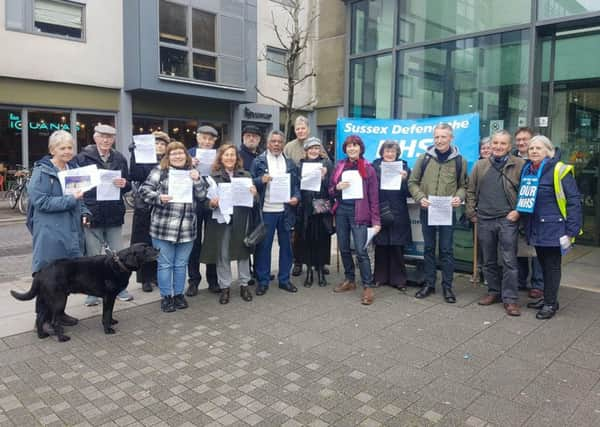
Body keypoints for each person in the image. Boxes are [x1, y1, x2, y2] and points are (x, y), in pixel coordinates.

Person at [27, 130, 87, 333]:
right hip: (50, 233)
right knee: (48, 277)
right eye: (62, 148)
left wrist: (85, 212)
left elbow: (81, 199)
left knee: (66, 276)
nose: (67, 151)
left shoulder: (73, 168)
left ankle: (59, 314)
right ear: (52, 150)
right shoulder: (42, 172)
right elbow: (40, 202)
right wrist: (71, 200)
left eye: (70, 147)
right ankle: (42, 320)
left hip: (71, 231)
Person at [139, 141, 207, 312]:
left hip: (186, 229)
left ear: (186, 155)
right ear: (168, 157)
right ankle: (166, 297)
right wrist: (158, 197)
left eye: (180, 153)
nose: (177, 156)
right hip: (163, 228)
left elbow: (202, 196)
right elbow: (144, 190)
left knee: (180, 264)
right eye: (173, 153)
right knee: (164, 264)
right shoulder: (159, 171)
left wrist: (197, 180)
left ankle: (178, 295)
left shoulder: (193, 172)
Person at [519, 136, 582, 319]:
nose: (534, 151)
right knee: (543, 264)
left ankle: (550, 304)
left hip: (555, 228)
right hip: (536, 226)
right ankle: (548, 298)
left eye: (538, 148)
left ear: (548, 151)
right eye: (531, 148)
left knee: (552, 266)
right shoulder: (528, 169)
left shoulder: (559, 170)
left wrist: (572, 231)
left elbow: (574, 201)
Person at [466, 130, 525, 316]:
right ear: (491, 145)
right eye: (496, 143)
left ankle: (510, 299)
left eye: (503, 144)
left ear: (510, 146)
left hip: (507, 219)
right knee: (489, 259)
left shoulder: (520, 164)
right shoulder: (480, 165)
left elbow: (527, 191)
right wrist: (471, 213)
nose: (498, 147)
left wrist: (518, 212)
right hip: (484, 219)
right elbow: (470, 191)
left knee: (509, 260)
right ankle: (493, 292)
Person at [408, 123, 468, 304]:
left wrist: (459, 197)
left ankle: (447, 286)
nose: (440, 140)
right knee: (428, 248)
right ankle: (429, 283)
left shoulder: (460, 161)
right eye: (436, 137)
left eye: (443, 137)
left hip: (447, 212)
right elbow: (412, 182)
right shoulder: (424, 158)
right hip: (427, 210)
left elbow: (464, 186)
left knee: (446, 250)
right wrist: (420, 198)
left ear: (451, 138)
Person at [76, 124, 132, 306]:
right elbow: (76, 187)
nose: (106, 140)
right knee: (92, 256)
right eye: (102, 136)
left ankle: (120, 289)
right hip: (92, 212)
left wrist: (125, 183)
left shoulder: (120, 158)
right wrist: (82, 210)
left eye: (110, 137)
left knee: (117, 255)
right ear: (95, 138)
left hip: (114, 212)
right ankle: (92, 292)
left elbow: (129, 184)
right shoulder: (82, 158)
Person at [201, 144, 258, 304]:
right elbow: (205, 203)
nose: (230, 158)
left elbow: (254, 202)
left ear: (237, 158)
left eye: (232, 155)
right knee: (223, 254)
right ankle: (225, 287)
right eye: (226, 155)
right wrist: (211, 203)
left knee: (243, 253)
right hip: (221, 221)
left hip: (241, 219)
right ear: (221, 157)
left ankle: (244, 285)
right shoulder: (213, 176)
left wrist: (254, 194)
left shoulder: (245, 175)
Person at [329, 135, 381, 305]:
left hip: (360, 212)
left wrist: (376, 221)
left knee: (361, 250)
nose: (352, 148)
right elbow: (331, 190)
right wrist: (337, 188)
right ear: (345, 149)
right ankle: (350, 280)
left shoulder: (368, 168)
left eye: (355, 145)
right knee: (343, 248)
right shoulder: (340, 166)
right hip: (342, 211)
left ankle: (367, 286)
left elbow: (374, 196)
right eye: (349, 146)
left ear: (360, 148)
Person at [251, 130, 300, 296]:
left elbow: (296, 185)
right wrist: (260, 181)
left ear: (283, 143)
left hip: (285, 211)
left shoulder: (290, 162)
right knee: (264, 247)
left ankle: (284, 280)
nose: (277, 144)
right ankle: (263, 281)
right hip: (266, 211)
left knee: (286, 247)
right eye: (273, 141)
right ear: (267, 143)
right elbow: (250, 183)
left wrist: (296, 197)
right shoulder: (259, 161)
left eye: (280, 142)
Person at [128, 131, 170, 292]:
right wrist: (134, 154)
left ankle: (156, 276)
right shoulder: (143, 158)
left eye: (162, 144)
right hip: (144, 207)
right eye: (156, 143)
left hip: (162, 208)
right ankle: (144, 278)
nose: (159, 146)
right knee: (142, 242)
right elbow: (135, 174)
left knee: (158, 243)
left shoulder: (168, 162)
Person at [372, 141, 411, 290]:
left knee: (397, 246)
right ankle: (380, 277)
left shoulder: (404, 168)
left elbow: (409, 193)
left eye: (392, 152)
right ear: (382, 153)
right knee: (381, 246)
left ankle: (399, 280)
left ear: (397, 154)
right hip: (380, 209)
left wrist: (404, 180)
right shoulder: (374, 167)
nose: (389, 154)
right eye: (386, 152)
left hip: (398, 210)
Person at [186, 125, 220, 295]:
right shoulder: (187, 153)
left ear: (214, 141)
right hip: (193, 202)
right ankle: (193, 280)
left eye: (210, 139)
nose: (207, 142)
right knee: (194, 242)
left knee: (212, 240)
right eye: (203, 138)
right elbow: (174, 173)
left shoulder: (219, 155)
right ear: (197, 138)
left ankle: (213, 279)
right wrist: (188, 165)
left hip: (213, 200)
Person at [296, 137, 333, 287]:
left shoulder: (327, 164)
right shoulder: (300, 165)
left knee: (321, 239)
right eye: (310, 148)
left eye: (316, 148)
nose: (313, 151)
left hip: (321, 205)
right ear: (306, 150)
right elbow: (296, 185)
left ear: (320, 149)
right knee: (308, 239)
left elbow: (332, 186)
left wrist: (324, 177)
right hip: (305, 207)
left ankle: (320, 270)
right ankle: (309, 271)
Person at [513, 126, 544, 299]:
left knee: (537, 249)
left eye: (525, 139)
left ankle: (538, 284)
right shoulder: (512, 159)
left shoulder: (540, 161)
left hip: (537, 211)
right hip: (518, 209)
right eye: (518, 140)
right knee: (520, 247)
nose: (522, 142)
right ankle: (520, 280)